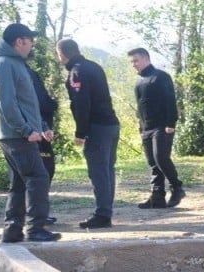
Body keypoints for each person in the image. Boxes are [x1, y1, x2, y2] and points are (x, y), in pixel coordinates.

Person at [0, 23, 58, 243]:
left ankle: (12, 232)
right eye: (30, 40)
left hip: (20, 133)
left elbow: (28, 104)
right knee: (38, 177)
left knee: (19, 183)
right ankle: (36, 229)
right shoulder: (4, 64)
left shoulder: (15, 64)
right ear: (20, 41)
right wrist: (26, 129)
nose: (33, 44)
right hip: (16, 135)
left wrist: (42, 127)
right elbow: (7, 103)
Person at [57, 38, 121, 229]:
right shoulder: (93, 66)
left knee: (99, 171)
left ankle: (102, 215)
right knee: (107, 170)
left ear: (62, 54)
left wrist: (80, 132)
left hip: (97, 127)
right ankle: (105, 212)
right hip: (111, 124)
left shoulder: (77, 71)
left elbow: (82, 103)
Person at [128, 47, 185, 210]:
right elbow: (140, 107)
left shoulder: (160, 76)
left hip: (162, 126)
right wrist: (141, 128)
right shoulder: (139, 81)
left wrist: (171, 123)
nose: (134, 64)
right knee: (153, 163)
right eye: (132, 62)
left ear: (146, 58)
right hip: (147, 128)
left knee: (161, 158)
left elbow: (170, 100)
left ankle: (177, 187)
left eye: (136, 60)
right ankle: (157, 196)